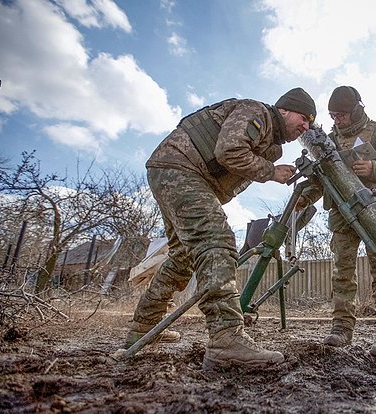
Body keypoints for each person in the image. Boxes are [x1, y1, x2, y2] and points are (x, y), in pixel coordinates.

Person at [125, 88, 317, 369]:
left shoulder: (268, 139)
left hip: (174, 169)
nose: (306, 126)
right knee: (217, 242)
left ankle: (143, 327)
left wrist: (273, 170)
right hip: (182, 168)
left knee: (182, 256)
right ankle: (226, 339)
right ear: (285, 110)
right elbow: (228, 151)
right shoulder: (258, 112)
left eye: (310, 123)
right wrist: (271, 172)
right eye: (303, 118)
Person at [297, 86, 376, 358]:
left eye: (342, 115)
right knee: (342, 272)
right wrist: (304, 197)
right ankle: (342, 328)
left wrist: (375, 168)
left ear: (357, 109)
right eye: (333, 116)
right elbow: (322, 177)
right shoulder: (328, 140)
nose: (338, 120)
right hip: (342, 213)